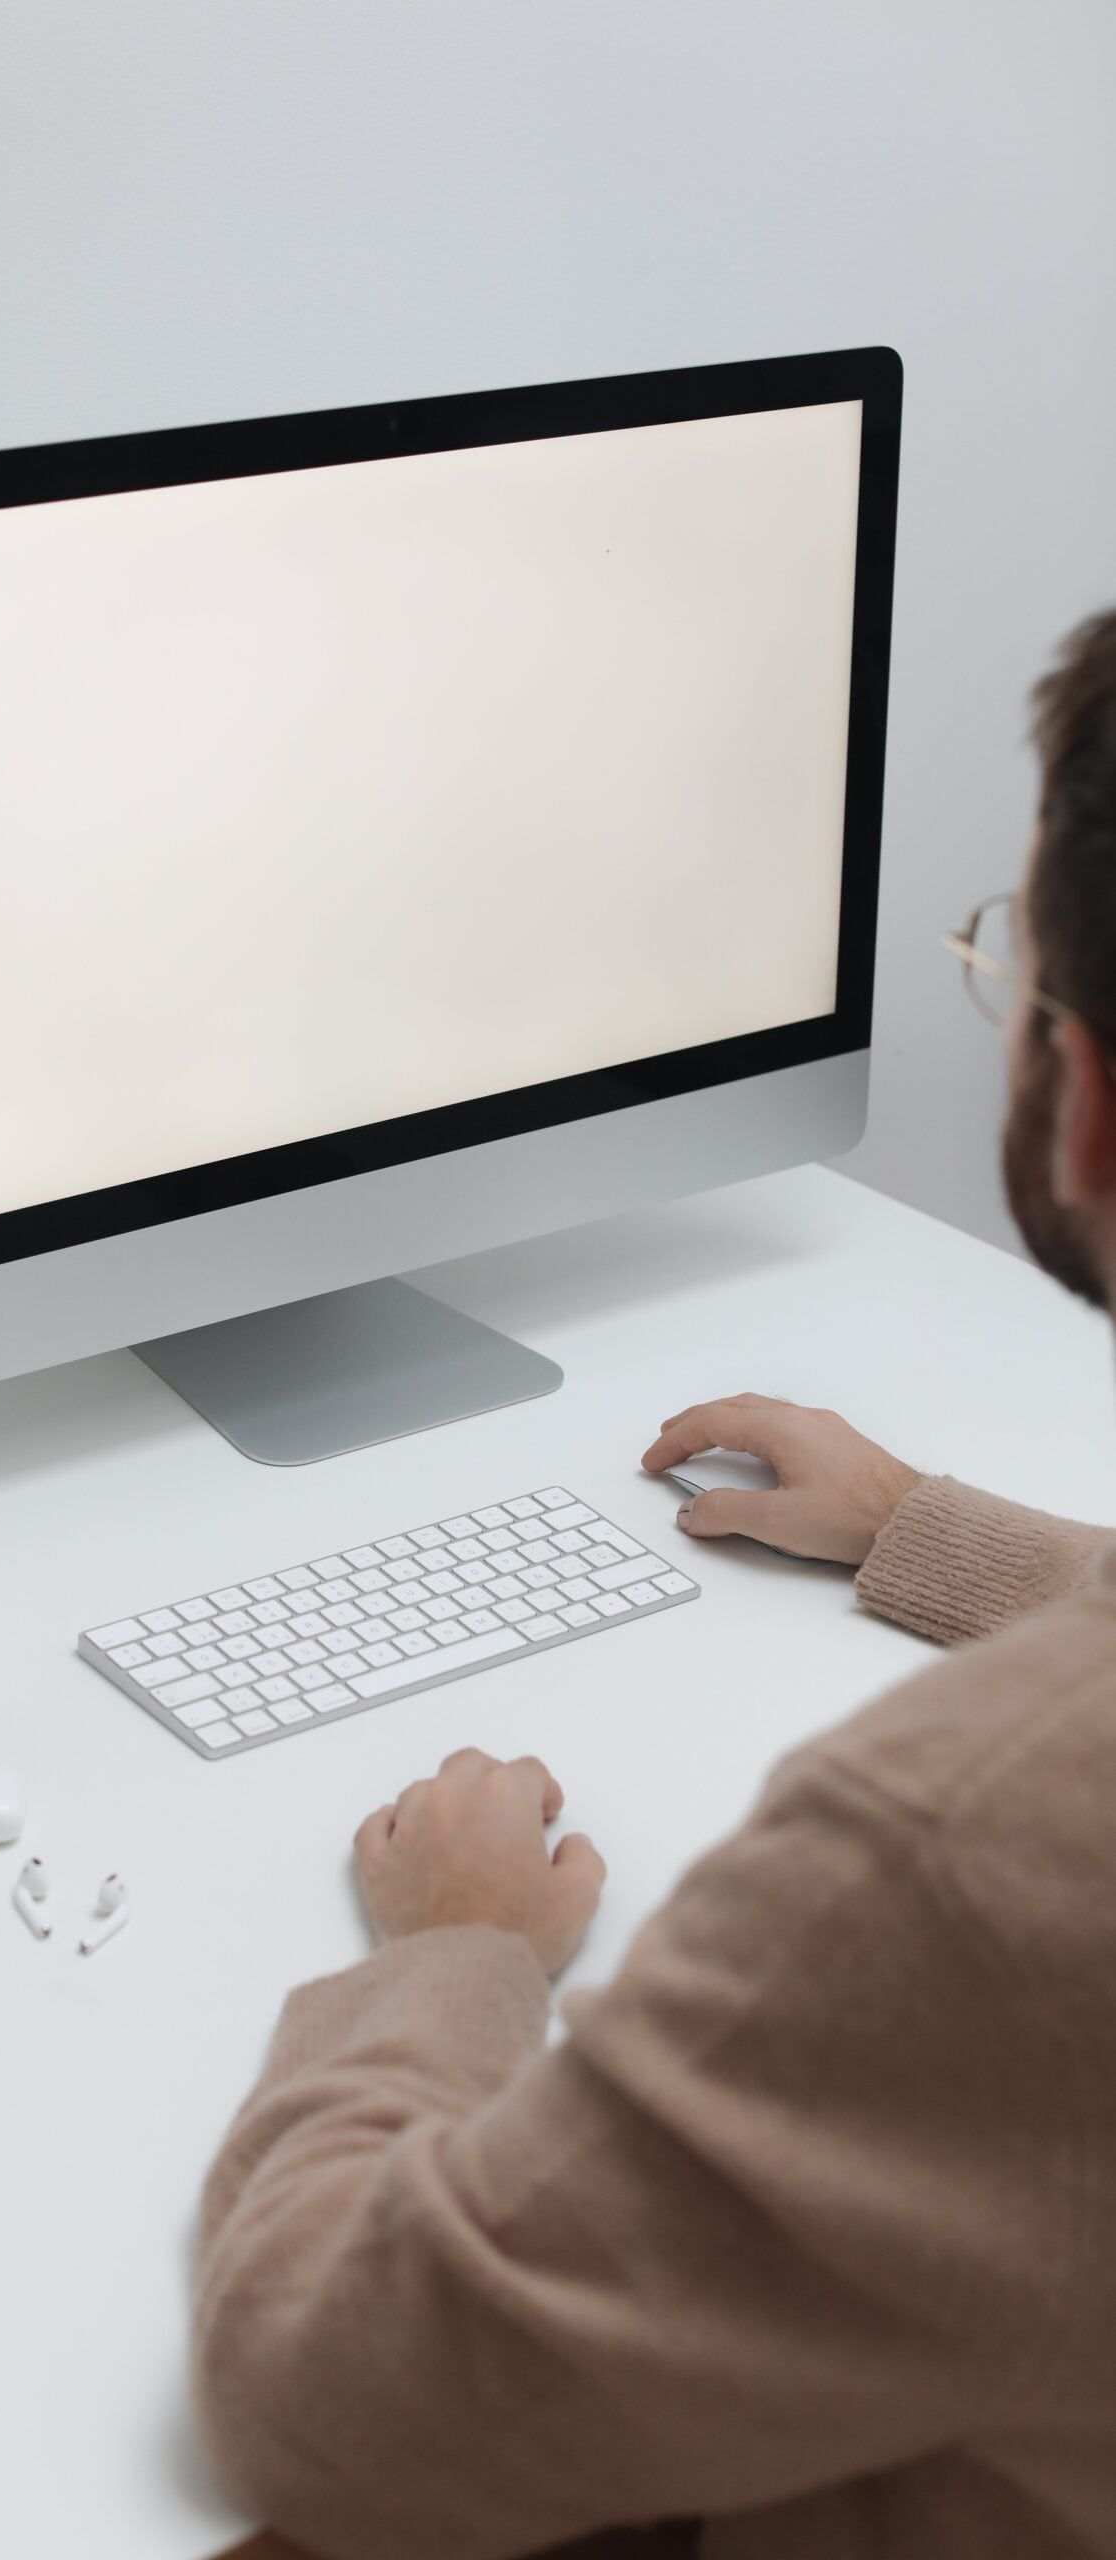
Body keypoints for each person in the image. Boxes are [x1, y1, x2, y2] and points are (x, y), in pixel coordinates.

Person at [190, 610, 1116, 2560]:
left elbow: (322, 2396)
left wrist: (446, 1953)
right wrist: (922, 1525)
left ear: (1084, 1095)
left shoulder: (970, 1850)